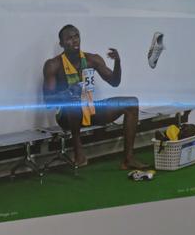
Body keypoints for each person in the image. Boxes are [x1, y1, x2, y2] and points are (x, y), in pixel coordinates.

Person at [43, 24, 147, 169]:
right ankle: (79, 155)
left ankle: (128, 159)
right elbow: (48, 101)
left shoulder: (92, 59)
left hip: (89, 109)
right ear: (62, 44)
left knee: (131, 103)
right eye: (69, 38)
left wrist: (117, 62)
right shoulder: (53, 65)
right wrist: (67, 93)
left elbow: (114, 82)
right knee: (74, 103)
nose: (74, 40)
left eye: (76, 36)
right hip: (66, 116)